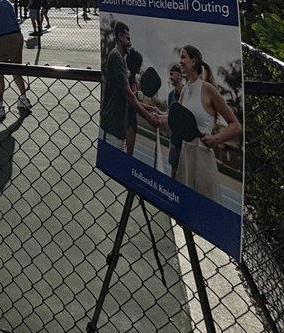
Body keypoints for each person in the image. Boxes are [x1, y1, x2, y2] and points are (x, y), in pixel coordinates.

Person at [167, 45, 241, 203]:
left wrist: (216, 139)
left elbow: (235, 125)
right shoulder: (185, 90)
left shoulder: (208, 89)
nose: (180, 61)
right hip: (185, 157)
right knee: (184, 208)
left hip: (203, 159)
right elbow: (176, 119)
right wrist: (153, 113)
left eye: (183, 57)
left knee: (203, 210)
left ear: (193, 61)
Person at [99, 21, 160, 153]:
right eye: (128, 39)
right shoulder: (116, 56)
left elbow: (130, 97)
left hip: (119, 129)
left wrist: (151, 110)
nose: (130, 43)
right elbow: (129, 95)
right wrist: (149, 117)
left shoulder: (121, 60)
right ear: (120, 37)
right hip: (112, 128)